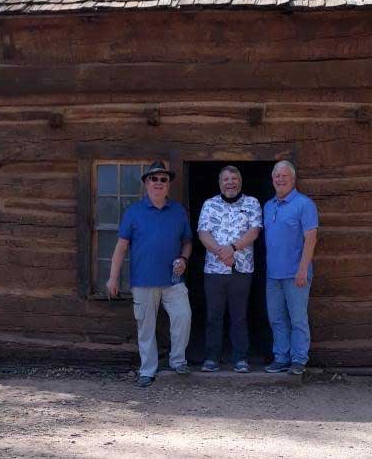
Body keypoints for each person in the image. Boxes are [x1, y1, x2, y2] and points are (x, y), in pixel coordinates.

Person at [106, 161, 193, 388]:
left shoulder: (178, 211)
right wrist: (113, 277)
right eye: (154, 179)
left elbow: (187, 242)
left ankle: (177, 361)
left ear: (168, 185)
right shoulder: (133, 212)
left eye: (163, 179)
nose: (158, 183)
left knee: (183, 316)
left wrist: (183, 259)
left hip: (173, 280)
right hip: (143, 280)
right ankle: (147, 370)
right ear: (146, 183)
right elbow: (121, 247)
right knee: (145, 327)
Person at [197, 165, 262, 373]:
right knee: (214, 315)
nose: (230, 182)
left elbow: (254, 231)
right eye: (226, 179)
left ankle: (240, 358)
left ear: (240, 182)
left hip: (241, 268)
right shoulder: (209, 205)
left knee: (239, 315)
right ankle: (211, 358)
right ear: (220, 183)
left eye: (234, 179)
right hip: (214, 269)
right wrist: (221, 252)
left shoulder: (252, 203)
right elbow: (203, 233)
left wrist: (232, 248)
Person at [262, 160, 318, 375]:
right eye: (277, 176)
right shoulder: (268, 206)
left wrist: (303, 269)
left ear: (293, 179)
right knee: (276, 319)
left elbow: (311, 238)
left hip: (297, 274)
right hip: (273, 275)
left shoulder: (304, 204)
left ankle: (299, 360)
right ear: (272, 180)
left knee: (297, 319)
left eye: (285, 176)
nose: (280, 179)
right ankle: (281, 358)